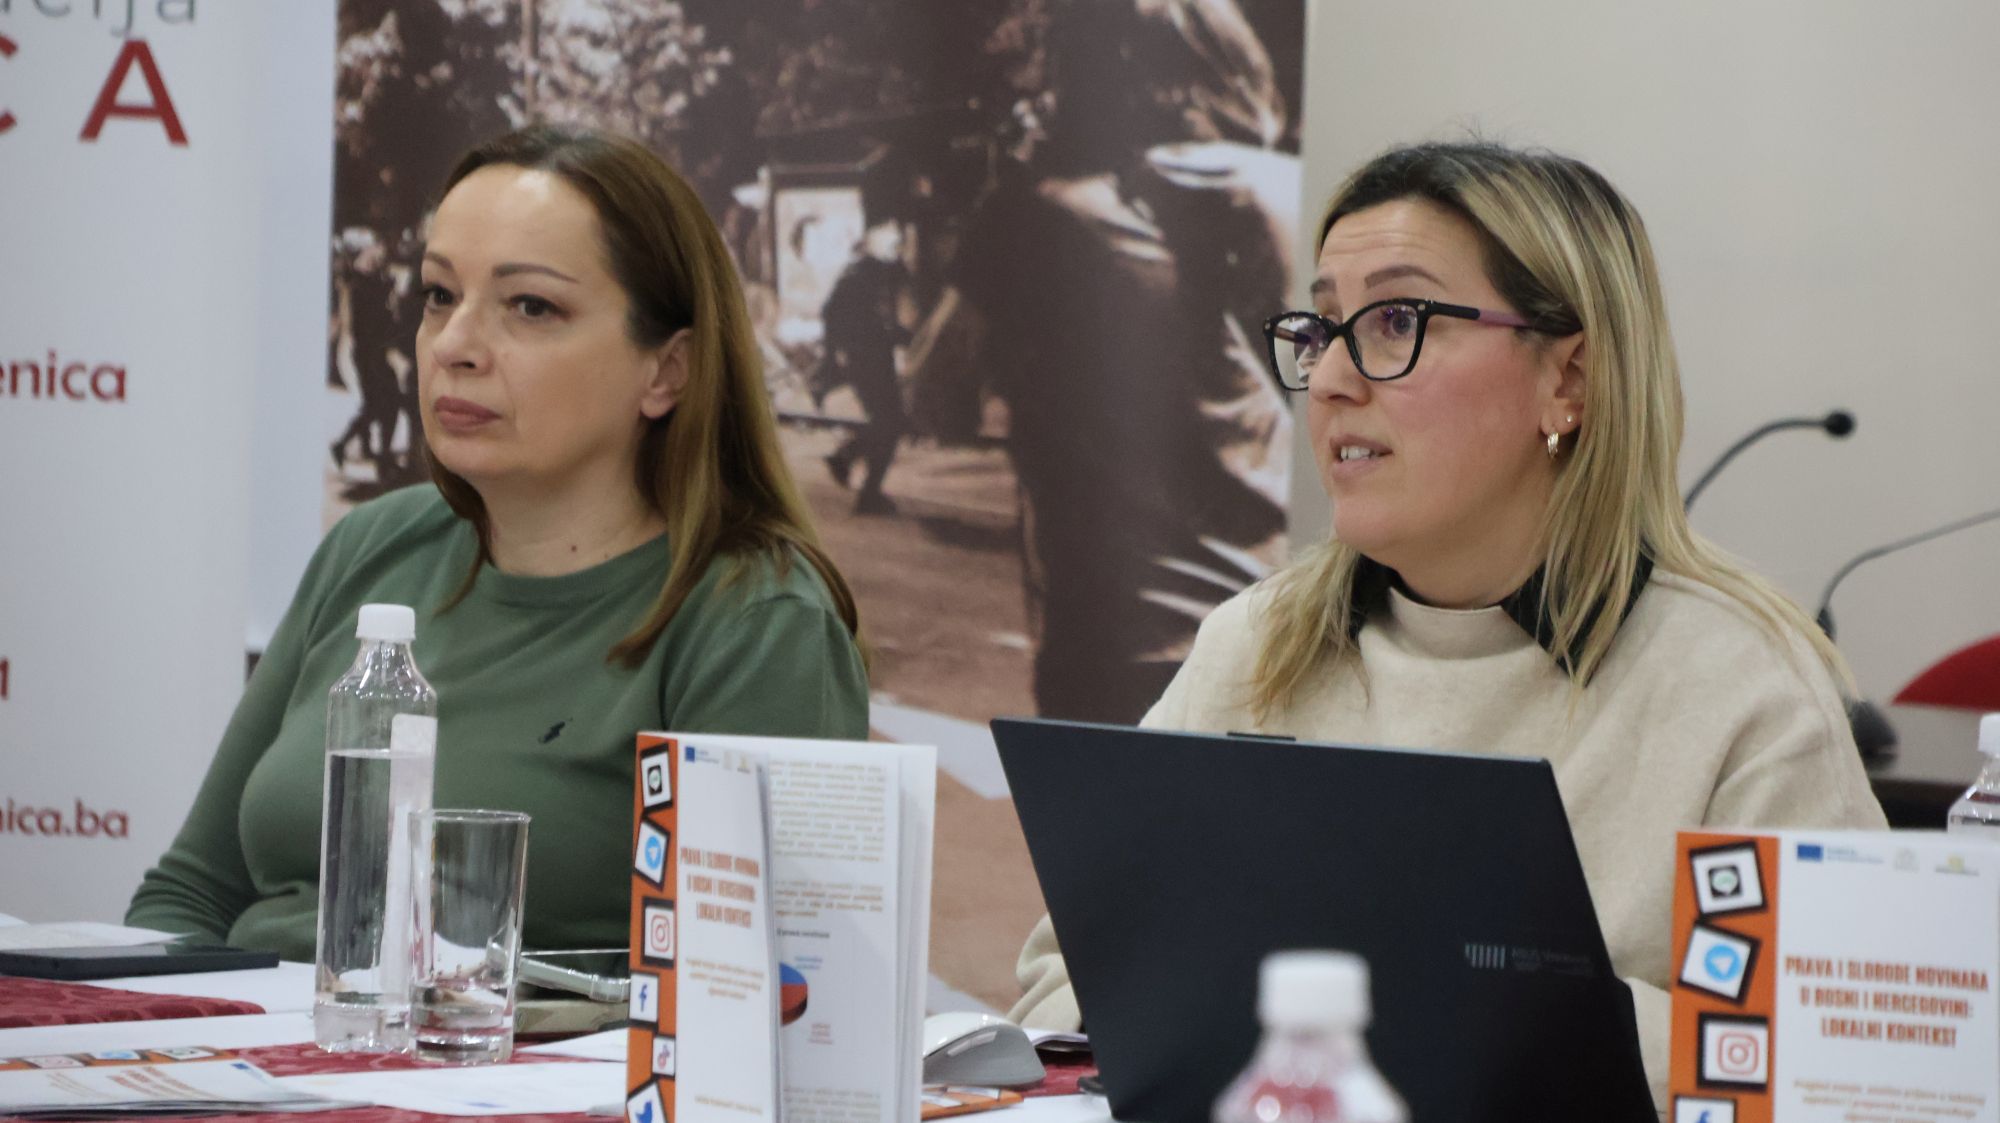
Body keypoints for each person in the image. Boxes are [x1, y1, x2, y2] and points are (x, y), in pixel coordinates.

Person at [1007, 140, 1886, 1110]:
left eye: (1395, 320)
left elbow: (1832, 1068)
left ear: (1569, 379)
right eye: (1322, 328)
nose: (1330, 379)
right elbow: (1065, 988)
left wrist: (1462, 1010)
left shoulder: (1743, 690)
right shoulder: (1254, 645)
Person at [128, 125, 871, 958]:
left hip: (500, 1047)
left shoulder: (756, 621)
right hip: (244, 1032)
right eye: (439, 295)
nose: (453, 346)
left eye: (531, 306)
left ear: (667, 370)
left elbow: (743, 996)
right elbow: (190, 893)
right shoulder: (371, 546)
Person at [907, 0, 1295, 724]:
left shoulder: (1037, 212)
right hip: (1288, 642)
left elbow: (932, 392)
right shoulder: (1299, 193)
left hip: (1124, 657)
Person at [818, 221, 912, 515]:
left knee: (888, 422)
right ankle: (866, 488)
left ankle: (849, 460)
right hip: (868, 359)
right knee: (890, 422)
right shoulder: (869, 275)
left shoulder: (863, 273)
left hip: (866, 357)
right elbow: (869, 322)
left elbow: (834, 314)